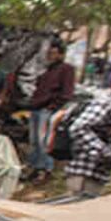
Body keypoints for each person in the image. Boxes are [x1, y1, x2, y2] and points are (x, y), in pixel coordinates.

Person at [65, 69, 111, 196]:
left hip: (98, 170)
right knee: (77, 206)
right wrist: (104, 153)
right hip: (85, 168)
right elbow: (78, 128)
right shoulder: (106, 103)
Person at [25, 41, 75, 184]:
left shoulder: (66, 69)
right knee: (34, 141)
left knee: (44, 141)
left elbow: (67, 92)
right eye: (49, 53)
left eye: (53, 53)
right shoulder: (47, 70)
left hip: (48, 109)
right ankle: (35, 167)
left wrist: (53, 106)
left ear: (61, 54)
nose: (50, 56)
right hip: (37, 108)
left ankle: (45, 169)